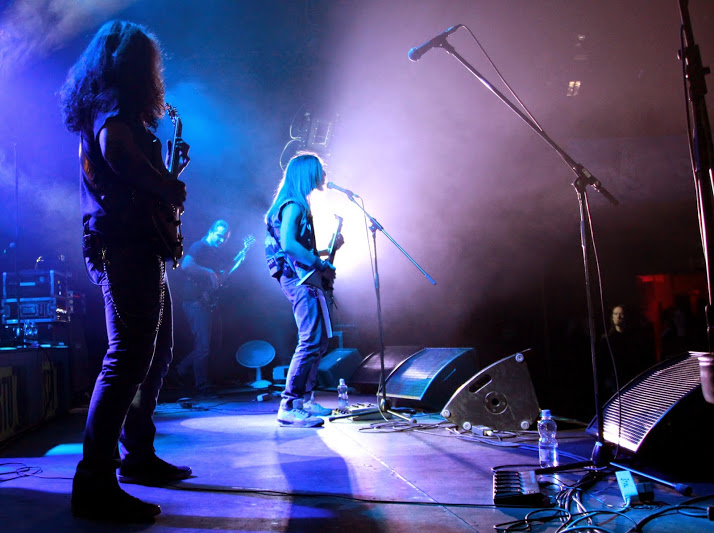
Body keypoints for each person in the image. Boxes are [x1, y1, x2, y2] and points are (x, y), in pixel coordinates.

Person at [60, 20, 191, 522]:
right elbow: (118, 154)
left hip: (137, 245)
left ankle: (137, 456)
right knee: (128, 359)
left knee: (153, 354)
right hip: (124, 247)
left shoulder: (107, 107)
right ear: (137, 65)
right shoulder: (113, 109)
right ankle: (94, 481)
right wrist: (165, 186)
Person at [265, 153, 343, 427]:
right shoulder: (293, 205)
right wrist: (319, 263)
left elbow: (295, 247)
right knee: (310, 340)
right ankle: (289, 405)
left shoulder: (295, 203)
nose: (325, 174)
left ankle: (305, 401)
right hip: (297, 279)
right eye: (321, 169)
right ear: (307, 173)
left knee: (319, 341)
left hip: (301, 277)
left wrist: (328, 251)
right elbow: (288, 245)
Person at [177, 219, 234, 395]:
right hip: (195, 301)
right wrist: (209, 272)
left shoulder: (215, 252)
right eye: (219, 236)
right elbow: (186, 265)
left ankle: (182, 369)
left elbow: (218, 279)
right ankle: (201, 385)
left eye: (225, 238)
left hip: (209, 301)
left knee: (214, 343)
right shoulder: (199, 246)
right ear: (211, 231)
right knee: (203, 346)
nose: (221, 240)